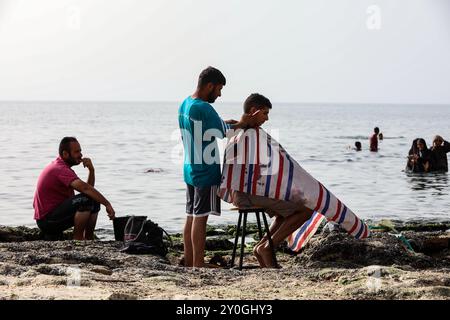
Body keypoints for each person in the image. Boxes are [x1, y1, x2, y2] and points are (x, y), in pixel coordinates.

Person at [230, 93, 315, 268]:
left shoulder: (239, 131)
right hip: (248, 193)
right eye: (265, 113)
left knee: (288, 208)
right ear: (253, 111)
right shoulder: (251, 134)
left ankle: (262, 247)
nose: (267, 119)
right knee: (306, 209)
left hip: (242, 192)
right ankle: (268, 247)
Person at [178, 67, 252, 268]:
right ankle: (198, 265)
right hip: (206, 170)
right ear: (209, 85)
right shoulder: (204, 108)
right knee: (201, 218)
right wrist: (244, 123)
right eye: (219, 89)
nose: (219, 94)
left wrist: (234, 123)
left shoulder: (186, 104)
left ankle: (190, 260)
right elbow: (223, 132)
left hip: (189, 168)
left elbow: (215, 126)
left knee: (191, 215)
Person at [33, 137, 116, 240]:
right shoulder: (60, 169)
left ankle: (89, 239)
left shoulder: (64, 167)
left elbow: (88, 191)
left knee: (93, 199)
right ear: (65, 154)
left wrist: (91, 170)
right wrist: (107, 204)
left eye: (80, 151)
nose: (80, 155)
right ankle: (78, 240)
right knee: (86, 200)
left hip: (55, 217)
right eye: (76, 152)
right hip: (47, 221)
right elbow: (86, 189)